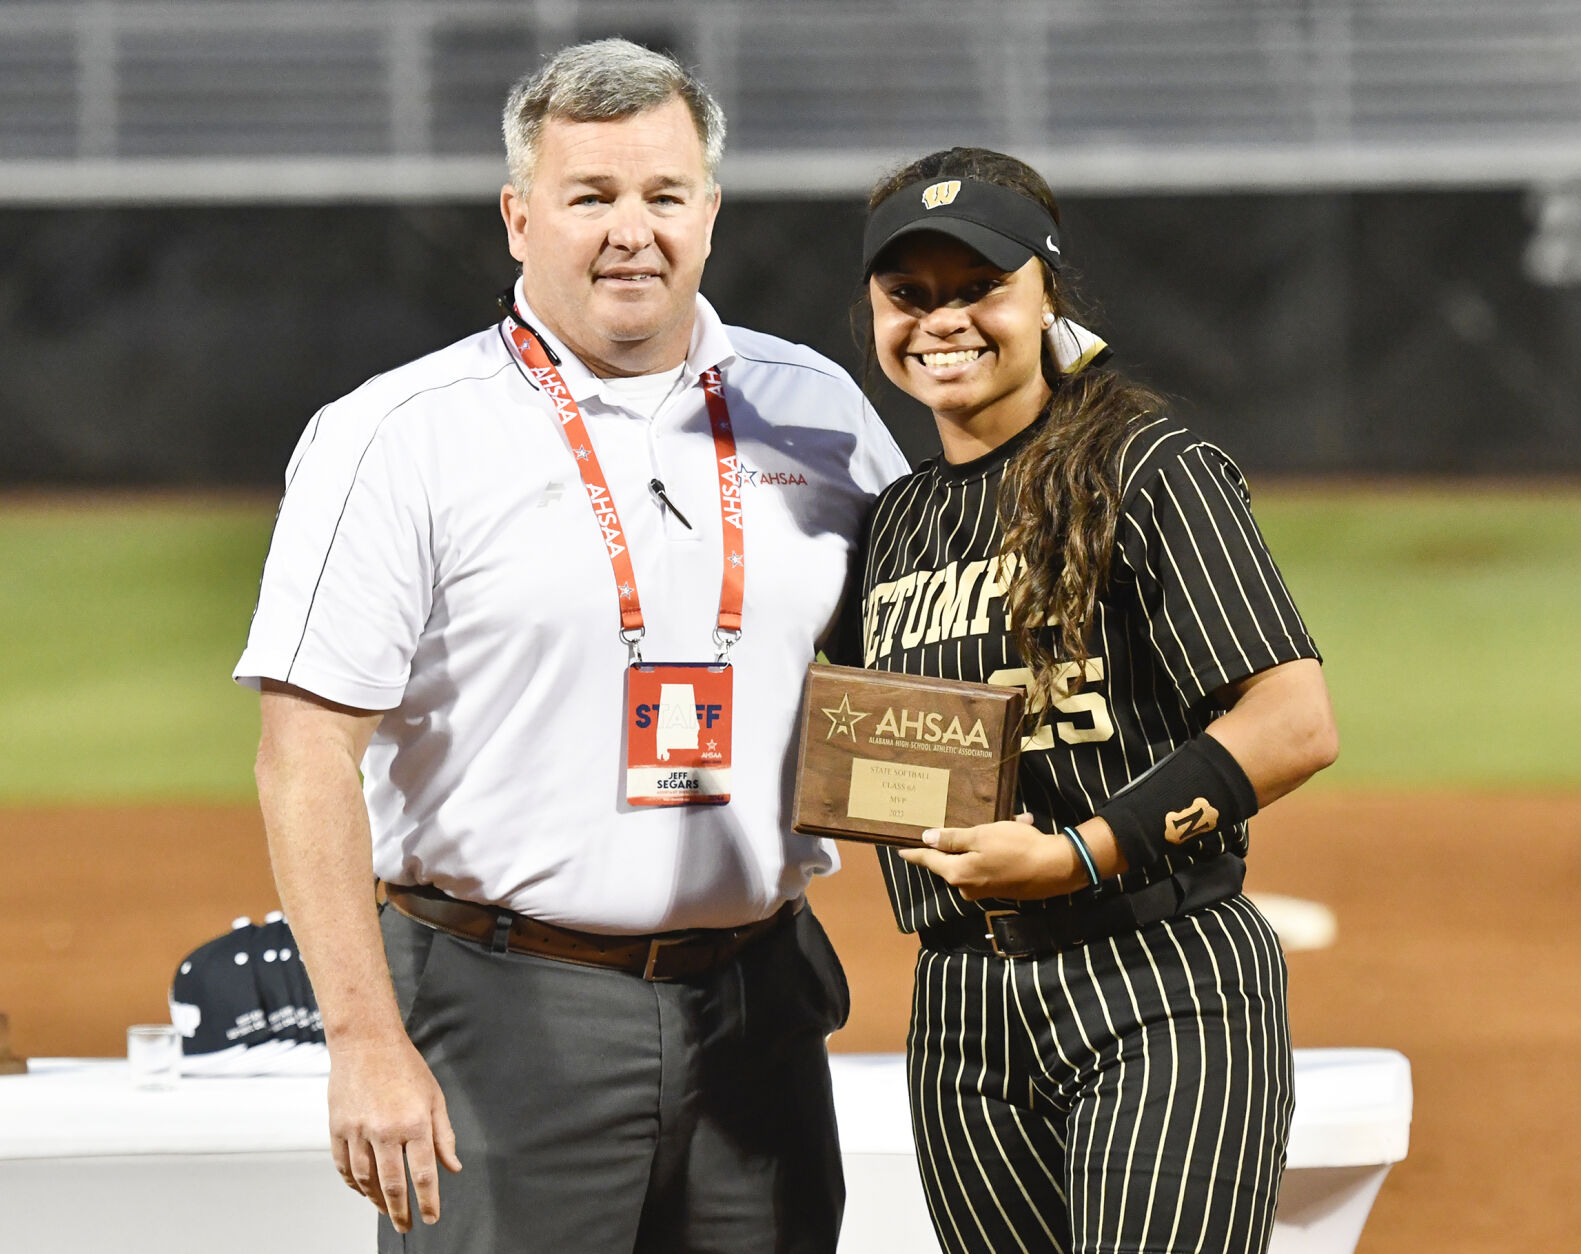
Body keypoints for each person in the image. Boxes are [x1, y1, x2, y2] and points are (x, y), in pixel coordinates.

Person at [236, 39, 907, 1254]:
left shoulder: (815, 405)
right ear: (517, 216)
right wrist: (366, 1044)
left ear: (708, 211)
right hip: (502, 1015)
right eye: (589, 196)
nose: (630, 232)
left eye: (662, 194)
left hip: (758, 1008)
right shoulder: (398, 434)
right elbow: (305, 753)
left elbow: (920, 661)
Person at [843, 147, 1339, 1254]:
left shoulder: (1151, 466)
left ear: (1046, 292)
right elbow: (861, 754)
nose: (943, 321)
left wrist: (1075, 855)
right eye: (909, 295)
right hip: (963, 1013)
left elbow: (1292, 721)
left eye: (979, 287)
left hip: (1160, 982)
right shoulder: (890, 524)